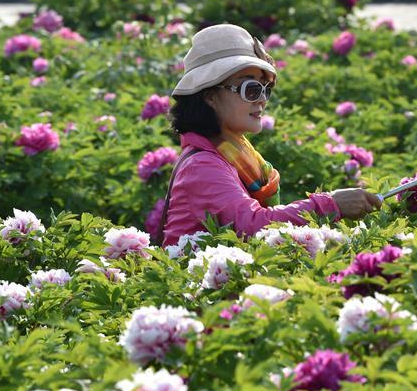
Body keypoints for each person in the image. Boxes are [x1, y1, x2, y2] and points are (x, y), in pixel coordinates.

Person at [158, 23, 381, 247]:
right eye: (251, 89)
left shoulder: (229, 154)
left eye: (266, 88)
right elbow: (254, 227)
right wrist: (330, 205)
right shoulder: (202, 165)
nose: (262, 99)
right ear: (210, 96)